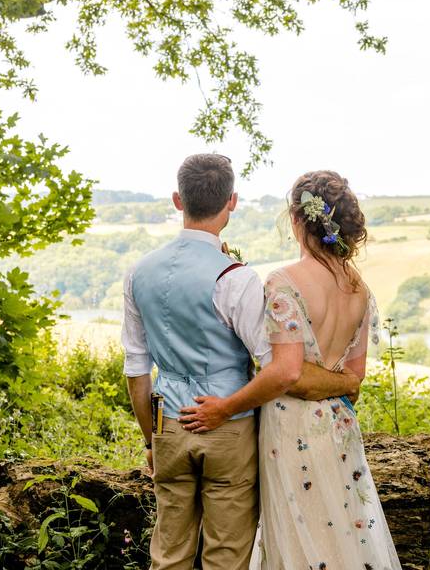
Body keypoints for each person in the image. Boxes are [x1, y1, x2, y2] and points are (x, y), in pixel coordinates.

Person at [122, 155, 360, 569]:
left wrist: (150, 439)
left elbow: (136, 369)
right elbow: (278, 368)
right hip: (227, 429)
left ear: (178, 200)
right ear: (231, 202)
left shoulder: (138, 272)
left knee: (169, 553)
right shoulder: (235, 278)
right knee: (227, 556)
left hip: (168, 427)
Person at [180, 170, 403, 569]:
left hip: (292, 426)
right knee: (339, 534)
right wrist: (344, 382)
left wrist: (225, 408)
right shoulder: (357, 287)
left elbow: (285, 372)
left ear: (298, 220)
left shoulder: (284, 281)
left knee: (300, 535)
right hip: (339, 425)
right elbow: (354, 376)